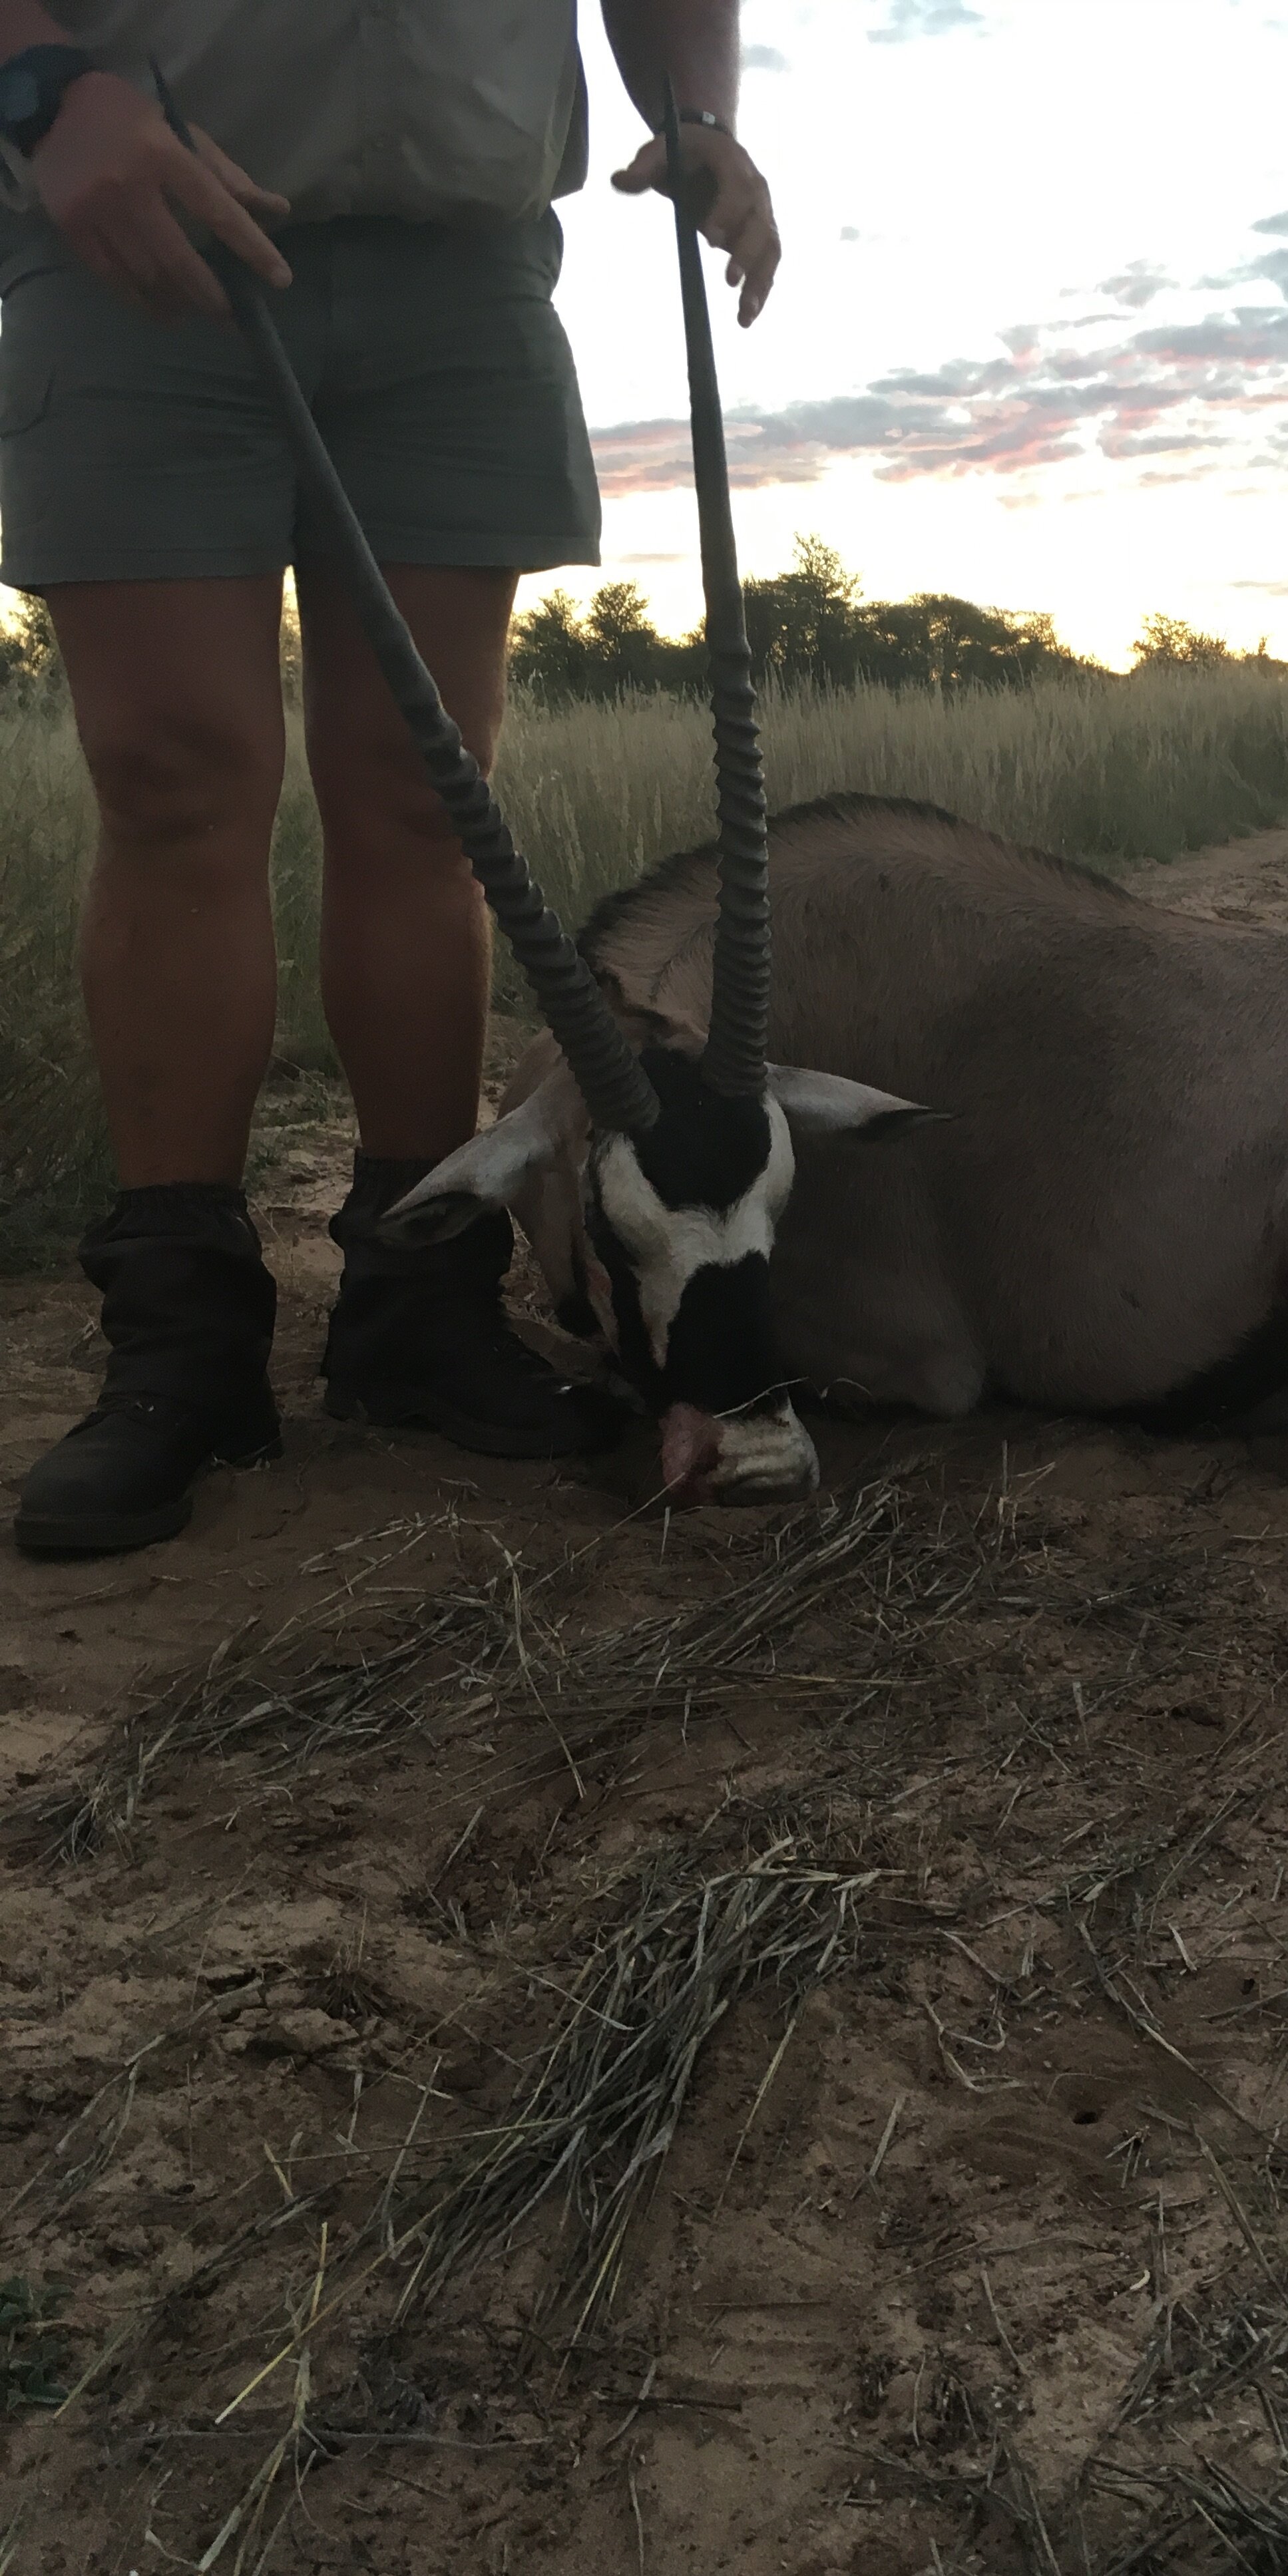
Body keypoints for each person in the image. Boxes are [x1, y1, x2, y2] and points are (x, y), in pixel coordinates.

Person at [0, 1, 779, 1555]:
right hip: (135, 223)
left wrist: (697, 108)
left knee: (429, 799)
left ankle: (416, 1304)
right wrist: (41, 85)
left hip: (465, 255)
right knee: (171, 779)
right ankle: (182, 1337)